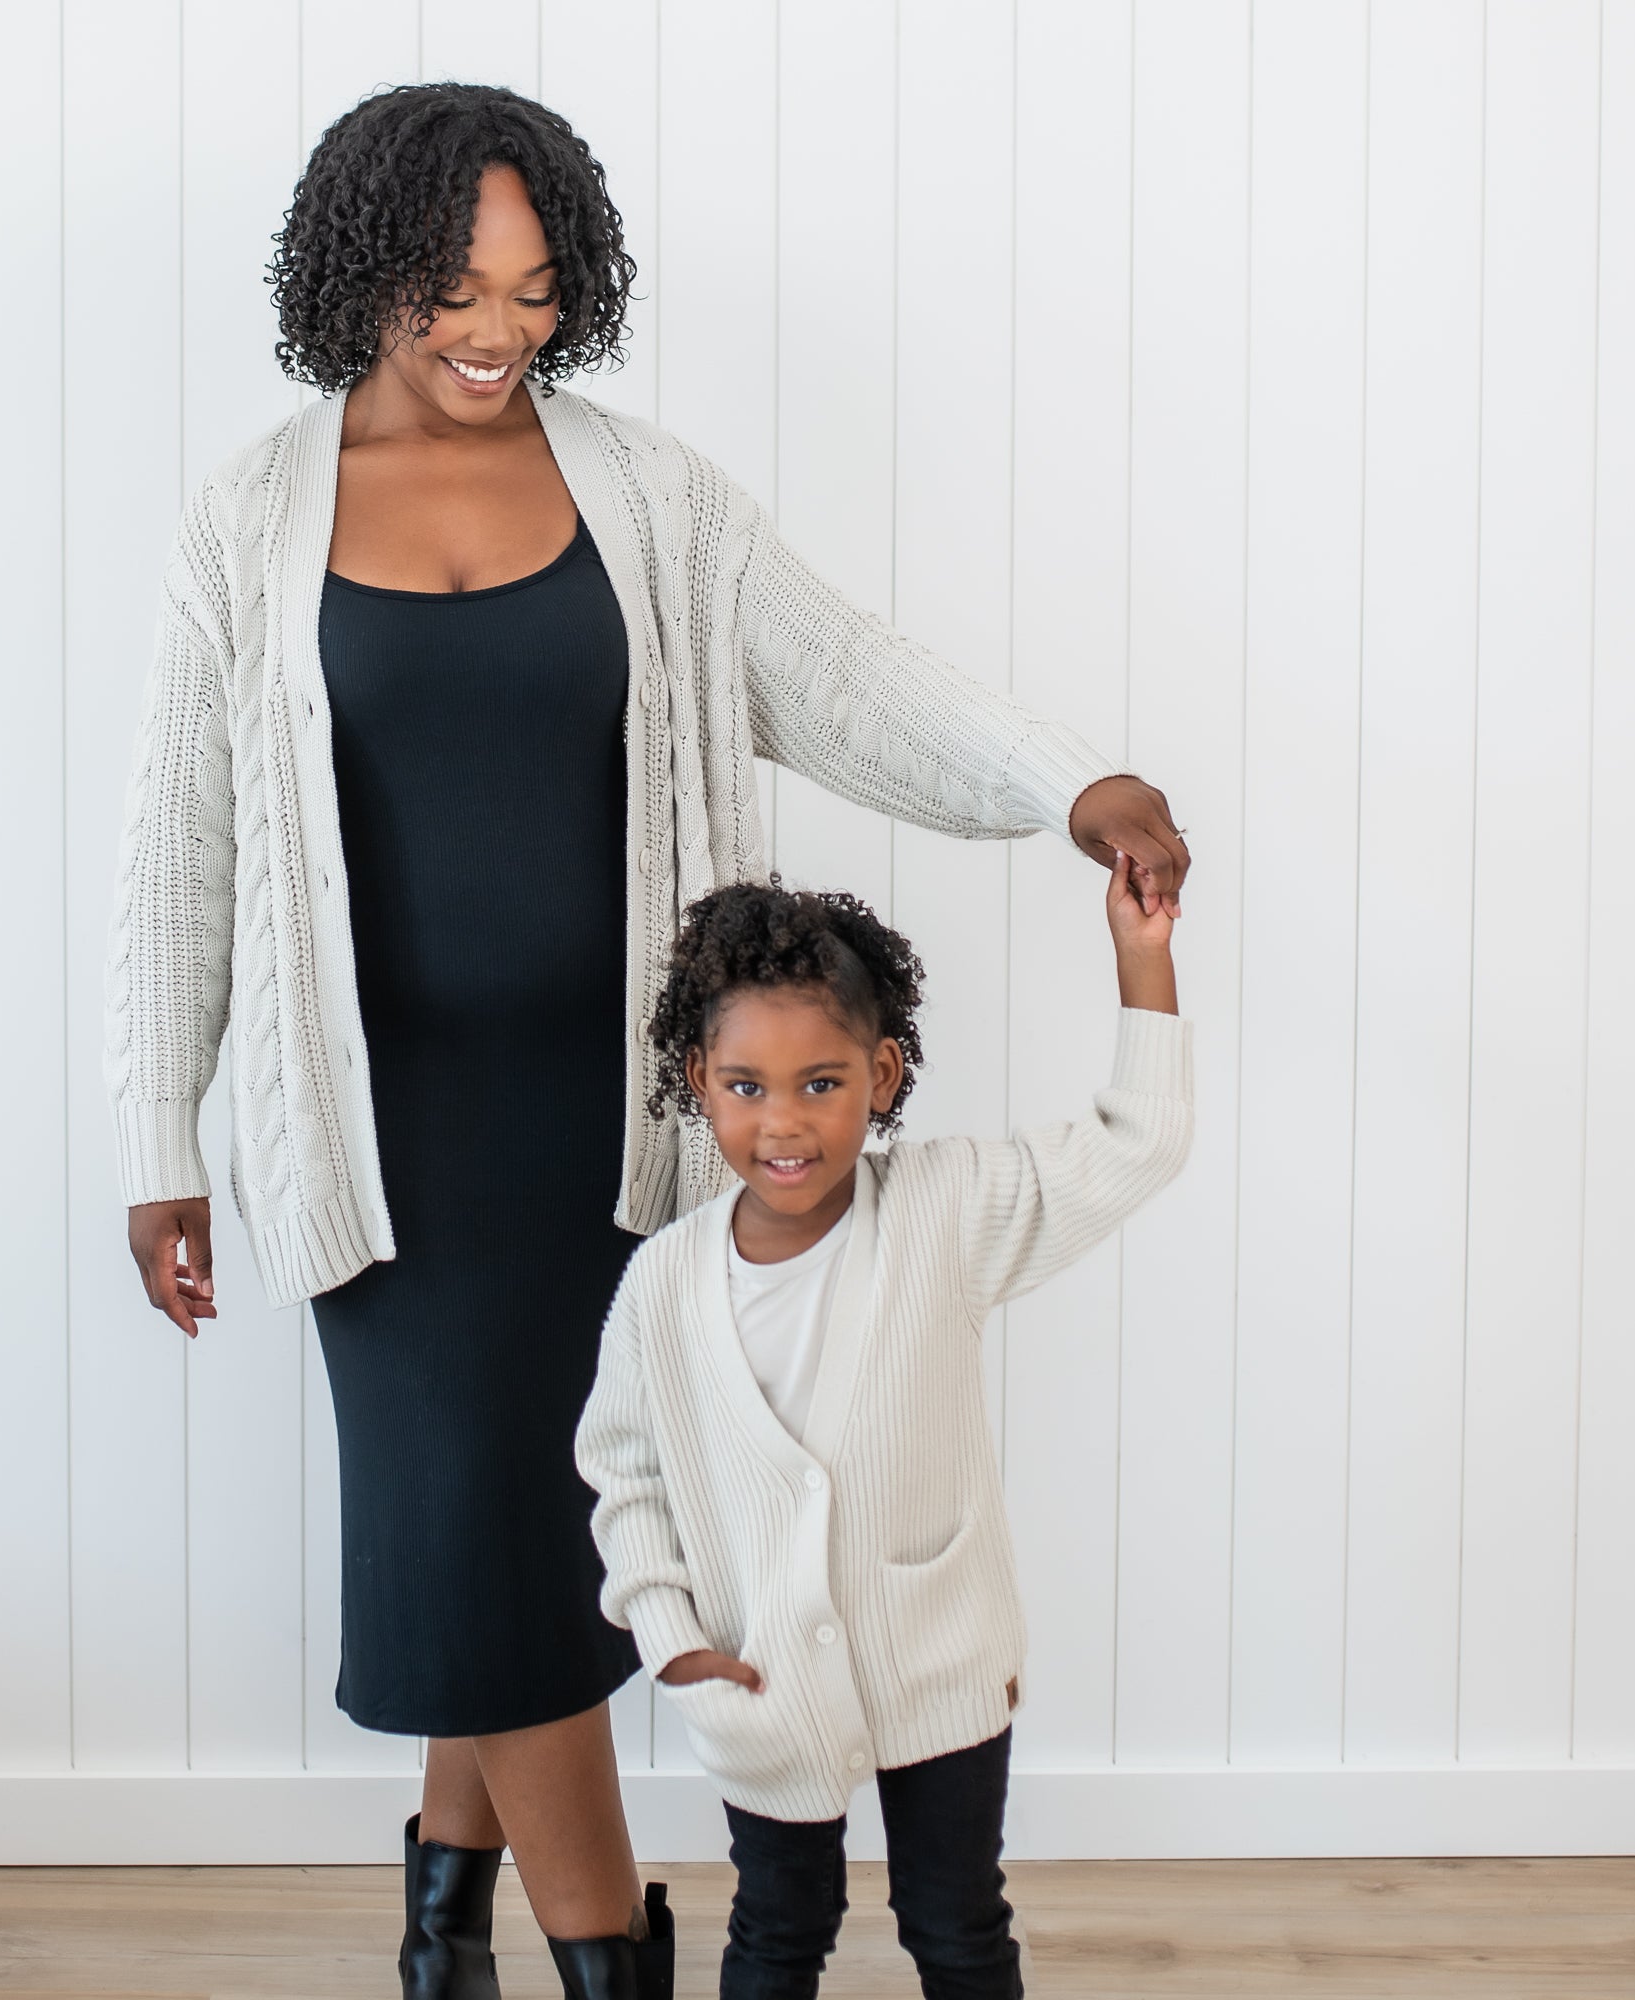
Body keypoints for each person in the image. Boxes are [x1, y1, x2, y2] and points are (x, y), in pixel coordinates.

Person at [106, 78, 1190, 2000]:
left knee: (518, 1556)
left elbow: (848, 674)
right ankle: (613, 1959)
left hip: (613, 1141)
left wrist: (1066, 785)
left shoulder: (655, 500)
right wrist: (158, 1141)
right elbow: (181, 862)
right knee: (481, 1553)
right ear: (361, 272)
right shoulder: (242, 524)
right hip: (385, 1144)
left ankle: (446, 1932)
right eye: (453, 287)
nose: (495, 331)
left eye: (533, 292)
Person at [576, 860, 1191, 1999]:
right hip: (756, 1673)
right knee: (777, 1923)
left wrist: (1141, 955)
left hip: (936, 1652)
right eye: (746, 1085)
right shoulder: (661, 1285)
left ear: (882, 1074)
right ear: (696, 1080)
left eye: (820, 1081)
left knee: (954, 1919)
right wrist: (670, 1637)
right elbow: (624, 1473)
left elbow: (1134, 1147)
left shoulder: (943, 1211)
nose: (784, 1121)